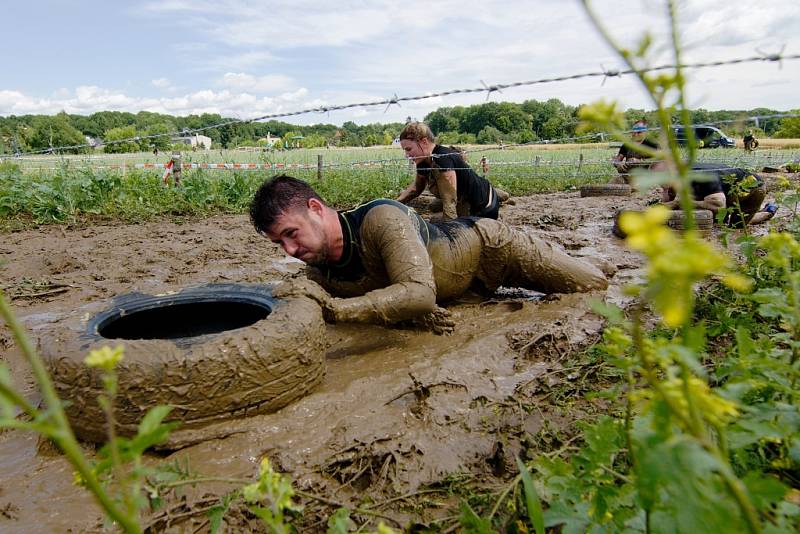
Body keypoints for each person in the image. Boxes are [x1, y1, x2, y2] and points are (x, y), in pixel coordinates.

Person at [251, 175, 608, 334]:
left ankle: (599, 259)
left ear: (315, 208)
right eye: (279, 245)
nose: (292, 251)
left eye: (290, 234)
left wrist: (339, 310)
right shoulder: (318, 264)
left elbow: (420, 294)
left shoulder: (380, 220)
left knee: (591, 284)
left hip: (490, 246)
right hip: (462, 288)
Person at [396, 122, 507, 220]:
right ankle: (498, 194)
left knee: (434, 220)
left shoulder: (442, 160)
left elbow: (450, 206)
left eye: (408, 149)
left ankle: (498, 199)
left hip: (482, 207)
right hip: (468, 192)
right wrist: (394, 203)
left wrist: (447, 229)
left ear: (424, 142)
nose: (407, 155)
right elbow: (416, 188)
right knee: (434, 206)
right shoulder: (423, 160)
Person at [657, 162, 776, 226]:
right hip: (727, 188)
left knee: (736, 226)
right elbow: (668, 197)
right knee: (717, 221)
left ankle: (768, 212)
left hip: (752, 188)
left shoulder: (700, 176)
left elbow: (719, 206)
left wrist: (679, 203)